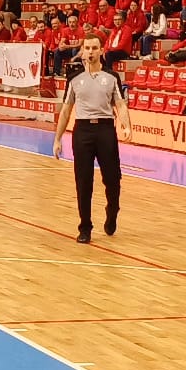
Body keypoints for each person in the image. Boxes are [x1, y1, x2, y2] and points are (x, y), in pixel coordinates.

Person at [54, 35, 125, 244]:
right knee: (83, 181)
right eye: (87, 48)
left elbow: (120, 104)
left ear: (101, 50)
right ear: (83, 51)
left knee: (112, 179)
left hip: (105, 130)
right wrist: (57, 139)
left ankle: (112, 210)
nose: (91, 52)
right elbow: (66, 109)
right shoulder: (74, 79)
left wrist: (126, 124)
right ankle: (85, 226)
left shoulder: (112, 77)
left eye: (95, 48)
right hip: (83, 130)